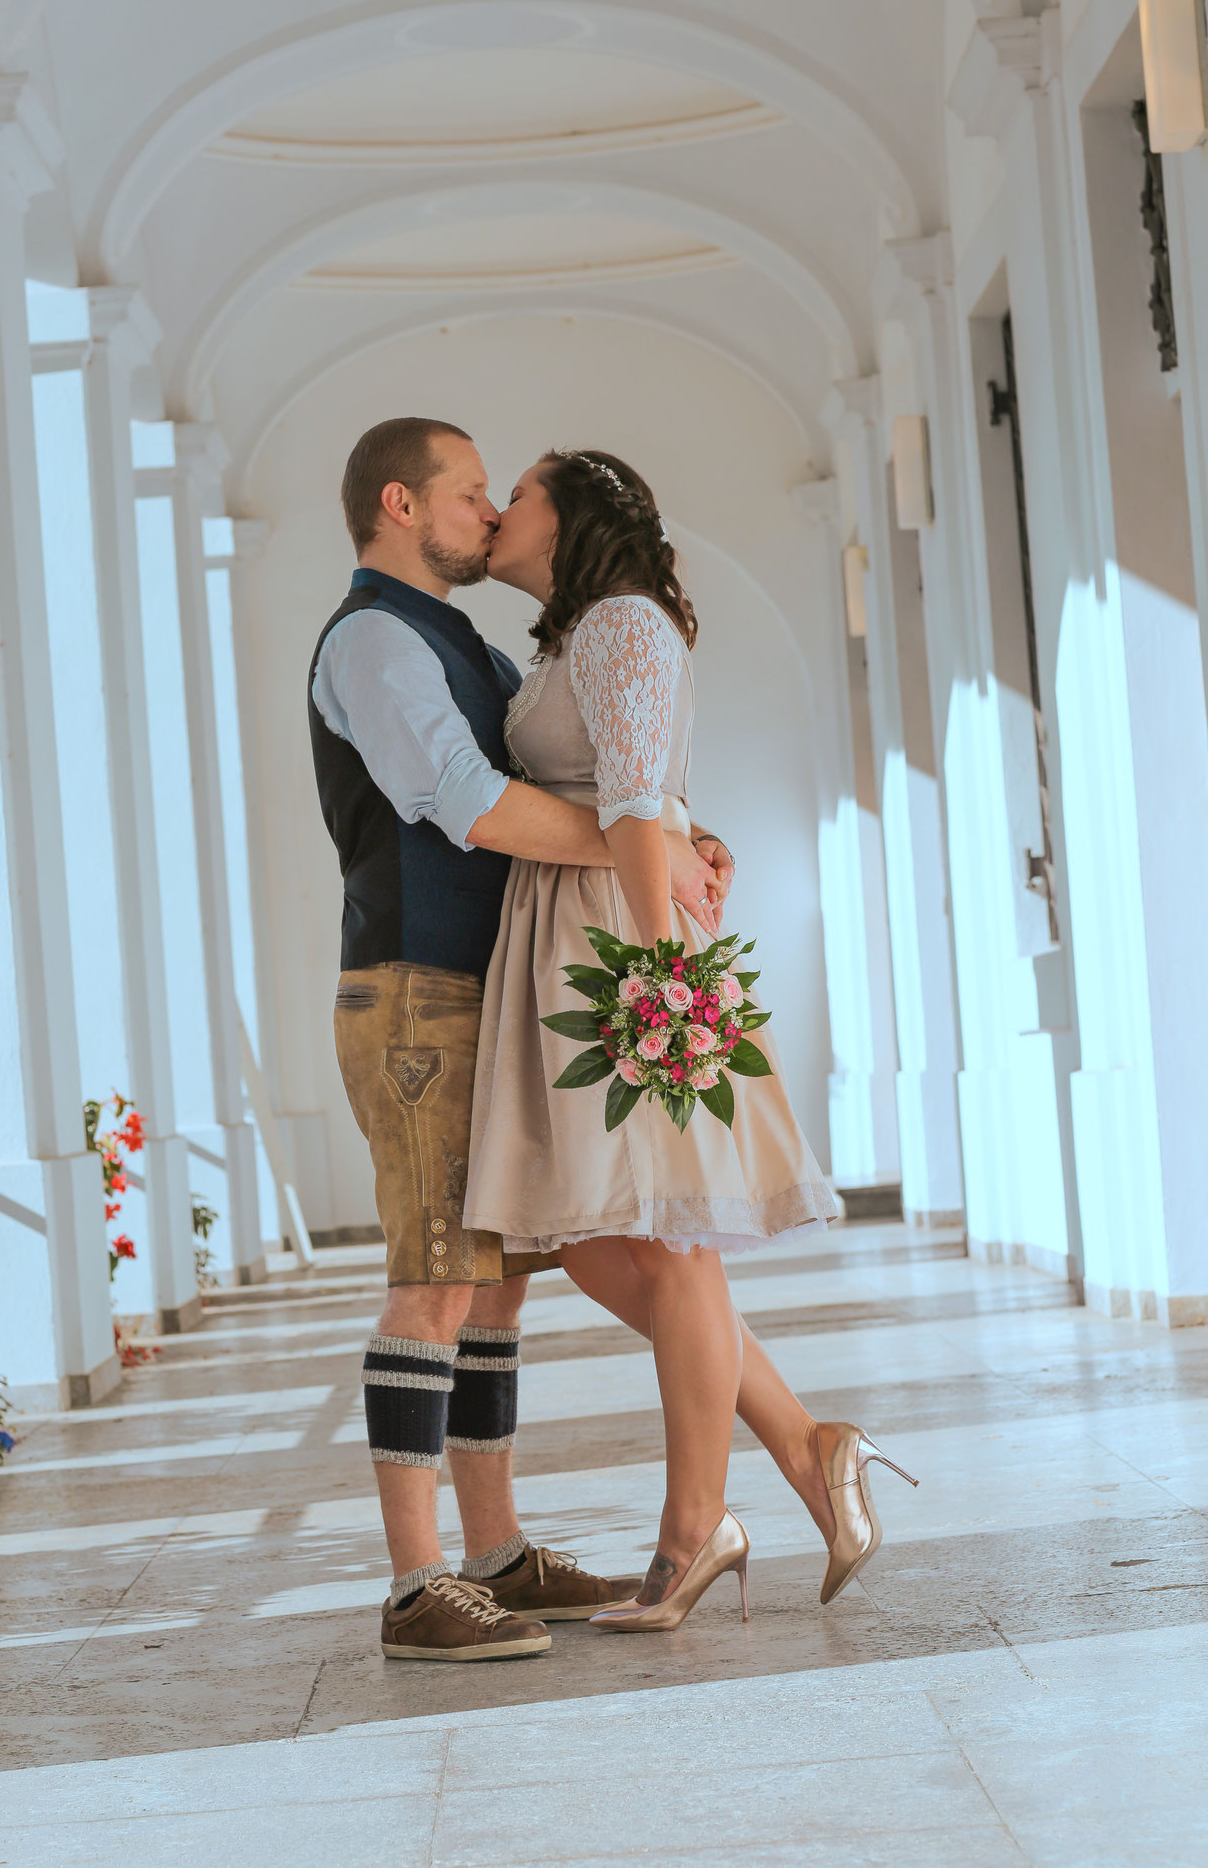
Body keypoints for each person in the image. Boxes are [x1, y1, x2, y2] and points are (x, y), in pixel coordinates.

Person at [465, 448, 917, 1630]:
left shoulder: (622, 621)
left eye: (519, 491)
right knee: (594, 1237)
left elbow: (629, 801)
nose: (500, 510)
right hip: (576, 926)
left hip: (616, 935)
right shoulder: (580, 634)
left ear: (570, 517)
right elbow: (644, 788)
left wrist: (659, 970)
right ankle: (810, 1444)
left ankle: (694, 1525)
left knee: (669, 1242)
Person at [308, 417, 735, 1661]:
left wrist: (679, 838)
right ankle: (413, 1582)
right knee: (437, 1273)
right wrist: (633, 846)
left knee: (493, 1281)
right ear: (402, 503)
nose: (488, 515)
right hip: (416, 990)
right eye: (469, 494)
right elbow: (473, 802)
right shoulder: (377, 638)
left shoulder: (475, 642)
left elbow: (601, 780)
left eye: (502, 496)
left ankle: (494, 1554)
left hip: (479, 991)